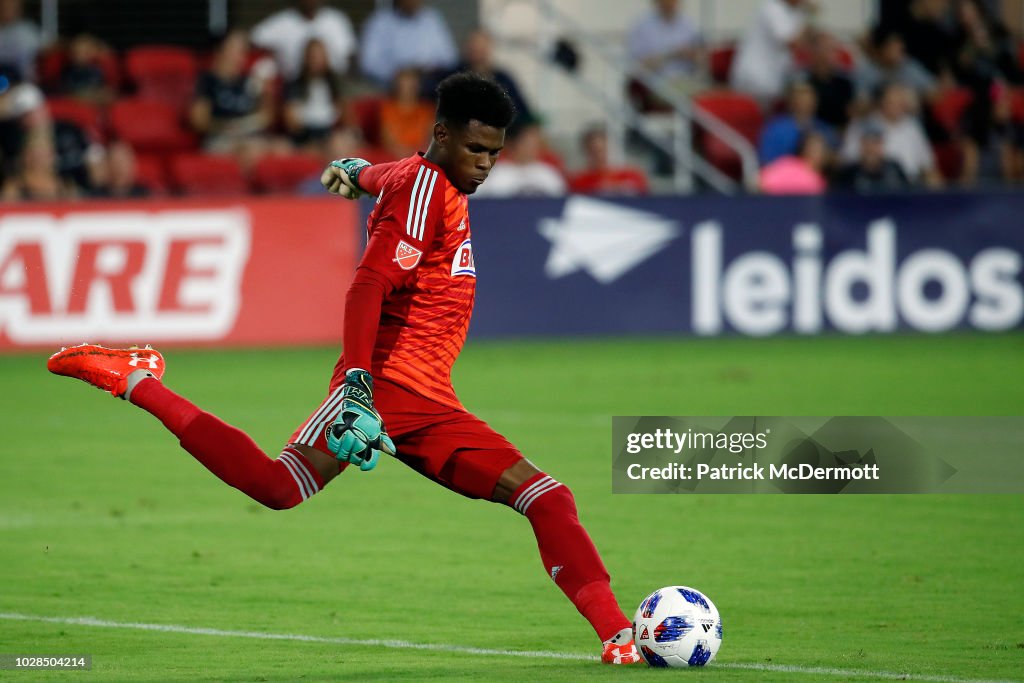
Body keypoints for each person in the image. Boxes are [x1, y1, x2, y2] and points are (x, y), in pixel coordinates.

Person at [47, 72, 643, 666]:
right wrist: (357, 382)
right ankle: (134, 379)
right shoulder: (423, 192)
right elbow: (369, 284)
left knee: (547, 497)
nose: (486, 164)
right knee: (279, 487)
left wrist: (358, 173)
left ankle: (618, 638)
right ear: (442, 134)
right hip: (382, 384)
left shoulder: (425, 177)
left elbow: (391, 172)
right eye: (475, 149)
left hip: (431, 400)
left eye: (494, 152)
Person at [188, 30, 277, 170]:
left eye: (243, 51)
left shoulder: (248, 81)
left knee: (283, 147)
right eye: (236, 50)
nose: (241, 56)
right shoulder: (207, 81)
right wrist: (226, 127)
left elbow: (266, 118)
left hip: (250, 136)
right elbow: (198, 120)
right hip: (220, 139)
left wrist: (267, 95)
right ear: (220, 52)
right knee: (249, 151)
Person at [841, 81, 942, 187]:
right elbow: (847, 162)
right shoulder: (864, 124)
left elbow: (928, 165)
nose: (898, 105)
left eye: (901, 101)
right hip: (873, 184)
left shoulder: (913, 127)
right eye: (892, 101)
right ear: (881, 101)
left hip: (910, 187)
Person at [431, 28, 533, 125]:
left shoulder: (503, 79)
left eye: (482, 47)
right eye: (475, 46)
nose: (478, 51)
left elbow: (523, 114)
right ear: (467, 47)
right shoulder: (452, 76)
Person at [730, 0, 815, 105]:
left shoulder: (791, 12)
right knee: (753, 117)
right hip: (756, 79)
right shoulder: (772, 8)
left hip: (769, 80)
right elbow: (791, 43)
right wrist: (806, 12)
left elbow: (801, 42)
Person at [626, 0, 704, 110]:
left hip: (687, 79)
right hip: (658, 83)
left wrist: (692, 55)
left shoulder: (688, 24)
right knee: (695, 97)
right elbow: (637, 66)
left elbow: (701, 60)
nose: (671, 3)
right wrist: (671, 55)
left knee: (712, 96)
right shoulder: (642, 26)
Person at [250, 0, 357, 80]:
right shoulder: (283, 22)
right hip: (296, 89)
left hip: (336, 89)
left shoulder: (337, 20)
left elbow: (351, 55)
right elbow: (253, 40)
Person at [360, 0, 457, 88]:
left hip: (431, 84)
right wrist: (397, 74)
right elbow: (368, 63)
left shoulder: (432, 19)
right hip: (392, 87)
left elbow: (450, 57)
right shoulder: (380, 22)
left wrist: (430, 68)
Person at [283, 38, 349, 149]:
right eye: (313, 56)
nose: (316, 61)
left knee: (341, 143)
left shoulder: (334, 83)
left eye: (320, 56)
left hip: (330, 133)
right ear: (306, 58)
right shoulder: (295, 85)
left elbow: (345, 114)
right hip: (305, 135)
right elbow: (291, 121)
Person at [471, 121, 566, 197]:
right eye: (527, 142)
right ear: (514, 143)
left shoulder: (549, 174)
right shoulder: (495, 174)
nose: (532, 147)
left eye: (535, 142)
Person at [758, 77, 836, 165]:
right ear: (791, 102)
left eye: (809, 99)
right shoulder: (775, 128)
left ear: (816, 102)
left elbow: (834, 159)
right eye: (801, 99)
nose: (805, 103)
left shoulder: (825, 130)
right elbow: (766, 159)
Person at [569, 125, 649, 195]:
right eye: (594, 151)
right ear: (586, 151)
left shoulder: (633, 176)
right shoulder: (580, 181)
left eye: (603, 150)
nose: (600, 156)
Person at [834, 121, 911, 192]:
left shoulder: (895, 169)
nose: (870, 148)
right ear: (860, 145)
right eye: (866, 143)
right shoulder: (848, 173)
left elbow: (909, 195)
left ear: (882, 145)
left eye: (875, 143)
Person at [800, 31, 854, 129]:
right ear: (816, 52)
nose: (837, 55)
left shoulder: (845, 83)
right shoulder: (802, 81)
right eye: (831, 50)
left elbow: (849, 115)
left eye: (836, 50)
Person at [379, 68, 435, 161]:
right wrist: (401, 152)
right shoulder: (387, 108)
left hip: (419, 157)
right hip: (393, 158)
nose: (408, 88)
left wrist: (414, 153)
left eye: (412, 84)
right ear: (397, 86)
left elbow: (428, 138)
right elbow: (387, 139)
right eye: (405, 84)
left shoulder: (427, 110)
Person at [759, 130, 829, 194]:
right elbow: (762, 182)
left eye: (821, 149)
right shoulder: (788, 164)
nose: (817, 154)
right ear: (804, 149)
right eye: (814, 149)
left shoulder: (820, 182)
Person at [0, 0, 42, 83]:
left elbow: (51, 46)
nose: (8, 10)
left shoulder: (28, 30)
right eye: (4, 6)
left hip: (23, 82)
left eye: (12, 7)